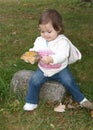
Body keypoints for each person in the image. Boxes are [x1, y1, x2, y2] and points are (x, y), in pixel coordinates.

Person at [23, 9, 93, 111]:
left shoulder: (62, 42)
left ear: (58, 28)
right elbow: (35, 49)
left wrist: (52, 58)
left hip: (60, 70)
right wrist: (31, 54)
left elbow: (63, 55)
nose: (45, 34)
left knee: (69, 81)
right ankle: (31, 101)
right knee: (34, 81)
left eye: (49, 31)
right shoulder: (39, 40)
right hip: (43, 69)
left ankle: (82, 100)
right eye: (42, 31)